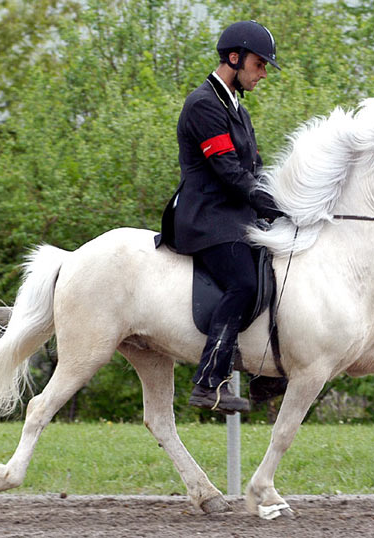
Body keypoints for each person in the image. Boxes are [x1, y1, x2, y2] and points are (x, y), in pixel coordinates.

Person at [154, 20, 282, 414]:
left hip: (234, 214)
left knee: (282, 269)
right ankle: (210, 380)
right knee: (243, 284)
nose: (262, 74)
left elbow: (254, 167)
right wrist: (264, 204)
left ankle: (268, 375)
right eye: (259, 65)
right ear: (234, 57)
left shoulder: (235, 106)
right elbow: (228, 170)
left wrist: (282, 202)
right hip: (206, 217)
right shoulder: (204, 105)